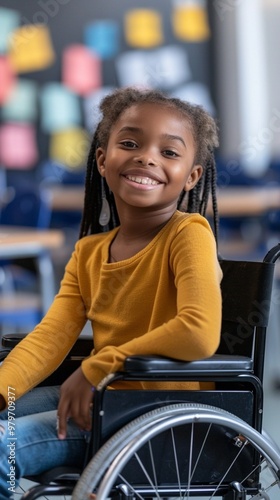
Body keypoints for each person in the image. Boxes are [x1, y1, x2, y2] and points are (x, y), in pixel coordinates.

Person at [0, 87, 222, 499]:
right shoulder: (88, 252)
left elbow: (199, 330)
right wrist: (2, 388)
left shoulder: (188, 234)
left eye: (170, 153)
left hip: (150, 408)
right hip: (104, 396)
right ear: (103, 159)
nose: (147, 157)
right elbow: (49, 338)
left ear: (192, 175)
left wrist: (97, 366)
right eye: (130, 143)